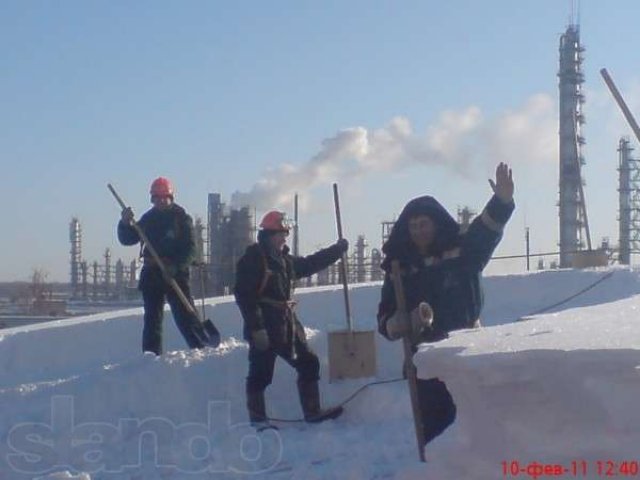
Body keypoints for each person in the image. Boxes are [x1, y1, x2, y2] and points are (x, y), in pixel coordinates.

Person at [377, 162, 515, 444]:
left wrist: (501, 200)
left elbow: (486, 228)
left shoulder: (463, 251)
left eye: (423, 224)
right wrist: (398, 324)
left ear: (436, 223)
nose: (418, 231)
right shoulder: (399, 269)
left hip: (465, 349)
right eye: (413, 226)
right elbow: (384, 317)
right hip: (425, 358)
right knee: (434, 430)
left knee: (472, 426)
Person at [234, 210, 349, 429]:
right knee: (260, 373)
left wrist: (336, 250)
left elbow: (310, 264)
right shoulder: (254, 259)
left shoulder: (284, 261)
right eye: (281, 233)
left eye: (285, 233)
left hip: (285, 323)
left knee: (308, 362)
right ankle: (258, 421)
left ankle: (312, 412)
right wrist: (257, 328)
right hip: (265, 324)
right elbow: (244, 296)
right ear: (268, 234)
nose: (284, 237)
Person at [117, 177, 208, 355]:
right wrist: (124, 223)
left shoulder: (181, 218)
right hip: (152, 273)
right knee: (152, 319)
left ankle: (201, 349)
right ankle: (151, 355)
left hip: (175, 274)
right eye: (156, 198)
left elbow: (191, 250)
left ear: (170, 197)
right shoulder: (148, 219)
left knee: (185, 315)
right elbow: (127, 239)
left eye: (163, 197)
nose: (160, 201)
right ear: (152, 199)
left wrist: (176, 267)